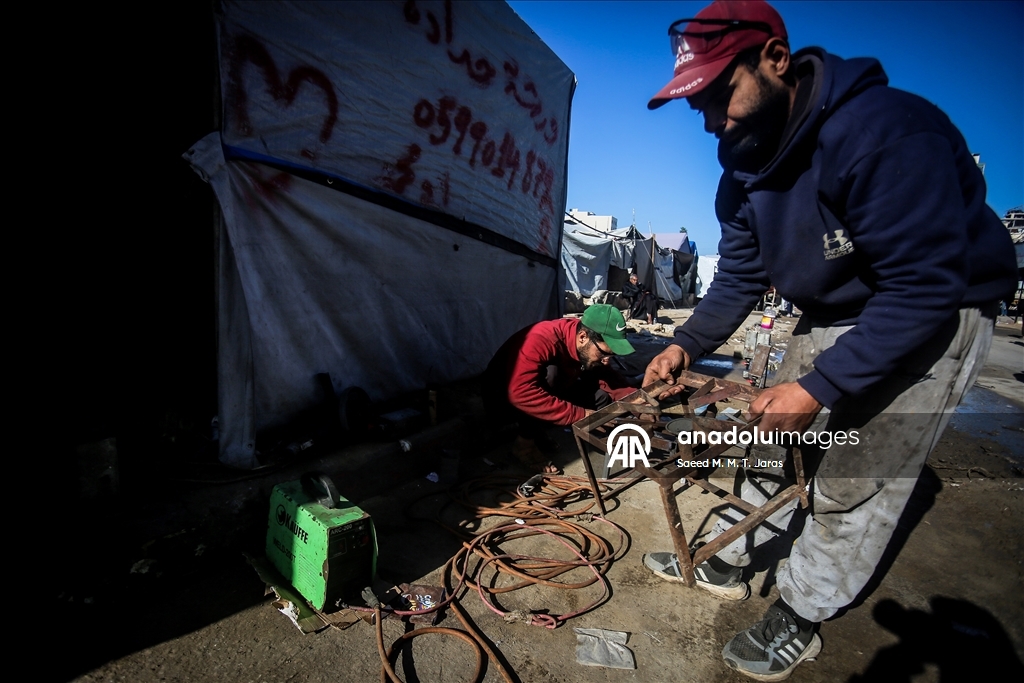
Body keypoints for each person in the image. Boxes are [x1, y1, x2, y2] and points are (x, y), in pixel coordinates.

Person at [640, 1, 1017, 680]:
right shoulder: (743, 173)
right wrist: (686, 344)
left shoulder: (881, 131)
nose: (707, 119)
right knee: (766, 436)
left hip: (935, 310)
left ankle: (802, 608)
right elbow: (741, 278)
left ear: (776, 60)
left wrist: (818, 386)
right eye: (694, 103)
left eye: (719, 92)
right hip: (836, 309)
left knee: (854, 477)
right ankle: (733, 552)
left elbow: (924, 286)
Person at [484, 304, 636, 473]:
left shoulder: (584, 339)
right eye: (604, 354)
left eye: (612, 355)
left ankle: (537, 430)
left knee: (600, 397)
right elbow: (520, 392)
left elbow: (607, 376)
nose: (608, 360)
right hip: (503, 399)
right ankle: (524, 446)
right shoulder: (541, 339)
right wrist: (580, 414)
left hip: (543, 390)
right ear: (583, 337)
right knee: (552, 374)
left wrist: (636, 401)